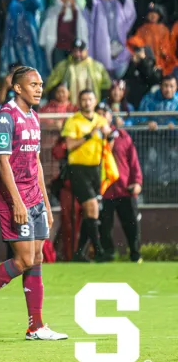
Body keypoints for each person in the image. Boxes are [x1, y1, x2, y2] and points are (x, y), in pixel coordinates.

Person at [0, 66, 68, 341]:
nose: (39, 88)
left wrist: (45, 201)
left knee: (37, 258)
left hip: (35, 199)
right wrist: (18, 202)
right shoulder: (6, 117)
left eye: (41, 84)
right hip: (12, 200)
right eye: (33, 84)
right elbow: (1, 161)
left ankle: (36, 326)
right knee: (23, 260)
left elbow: (36, 162)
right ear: (17, 88)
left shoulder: (33, 116)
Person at [60, 89, 113, 261]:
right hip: (78, 168)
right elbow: (69, 145)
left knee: (90, 211)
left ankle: (79, 253)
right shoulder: (73, 121)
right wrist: (88, 136)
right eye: (84, 99)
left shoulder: (101, 120)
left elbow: (108, 143)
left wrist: (109, 135)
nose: (87, 102)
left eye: (90, 99)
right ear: (79, 101)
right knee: (92, 207)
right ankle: (98, 251)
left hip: (95, 169)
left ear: (95, 100)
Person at [98, 108, 142, 263]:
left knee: (132, 224)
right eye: (99, 114)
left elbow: (133, 161)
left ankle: (135, 254)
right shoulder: (92, 138)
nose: (102, 117)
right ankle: (108, 255)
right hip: (104, 190)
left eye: (105, 114)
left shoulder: (123, 136)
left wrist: (137, 182)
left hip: (124, 188)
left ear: (111, 117)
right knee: (104, 226)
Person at [45, 39, 112, 102]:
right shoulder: (63, 66)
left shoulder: (97, 67)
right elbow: (50, 85)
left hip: (92, 108)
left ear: (86, 51)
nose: (77, 54)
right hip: (69, 110)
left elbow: (107, 86)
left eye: (80, 51)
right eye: (75, 51)